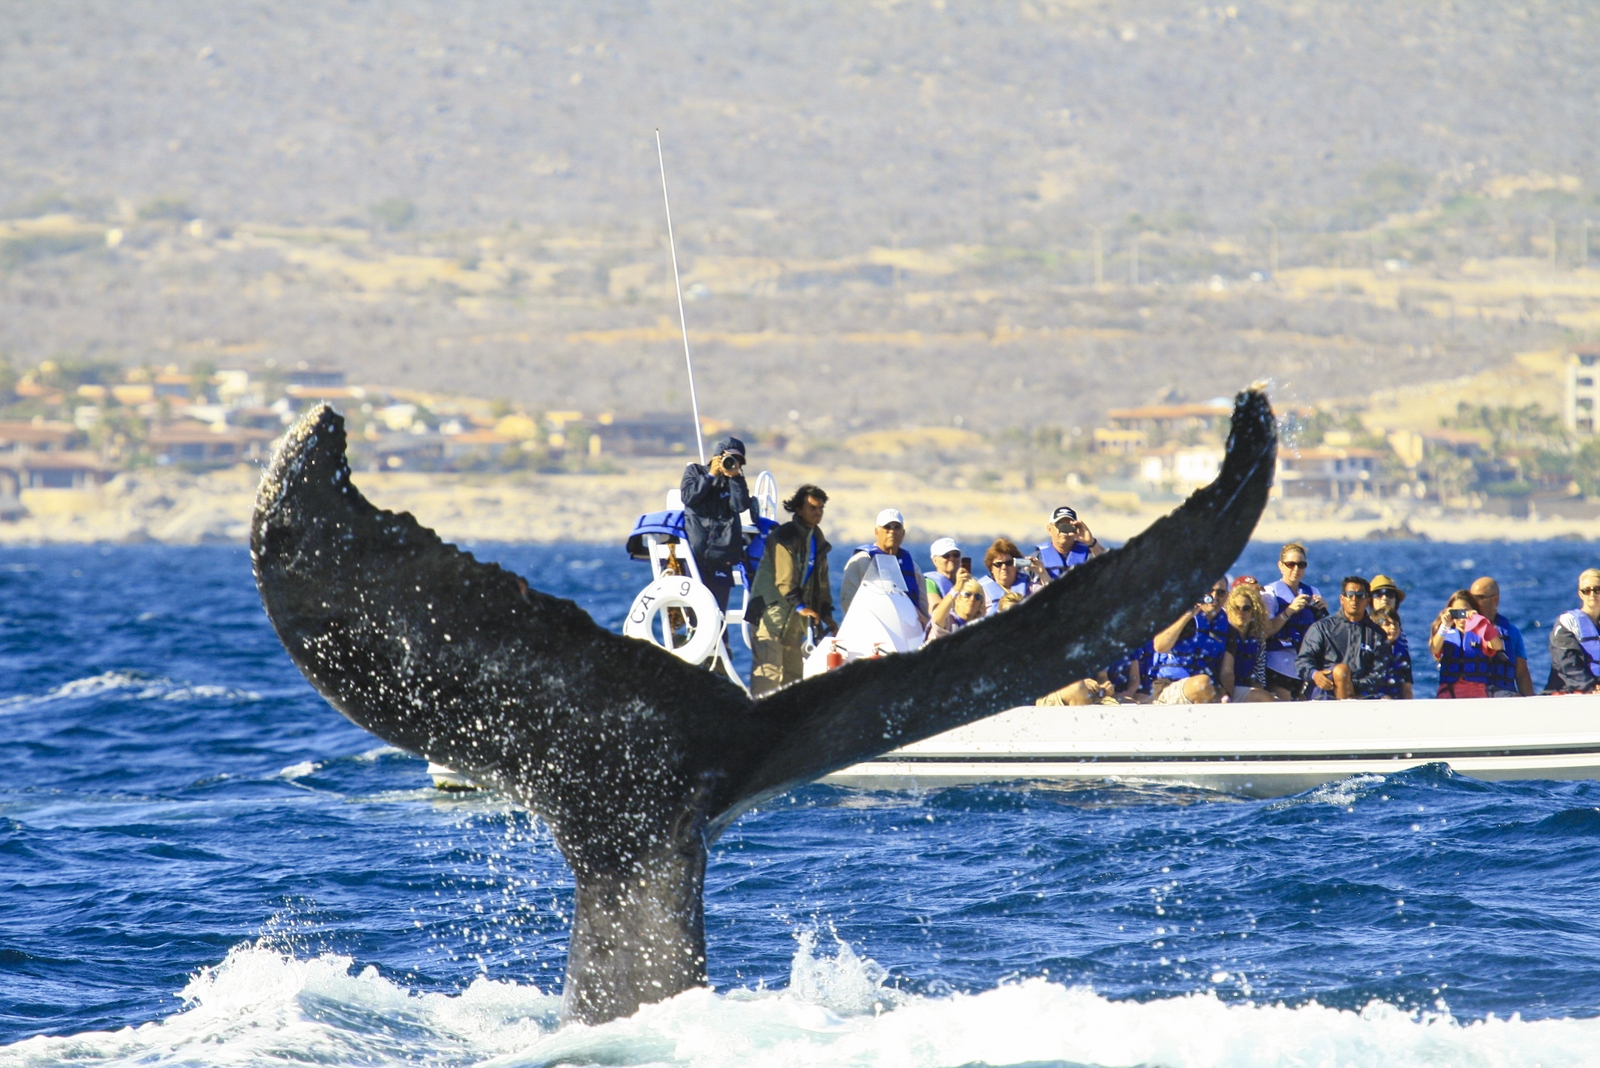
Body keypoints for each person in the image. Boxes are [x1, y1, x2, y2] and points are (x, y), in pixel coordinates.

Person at [749, 484, 834, 696]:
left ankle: (787, 721)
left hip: (794, 619)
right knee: (768, 673)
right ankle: (759, 718)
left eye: (821, 508)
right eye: (813, 508)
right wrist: (801, 606)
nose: (818, 513)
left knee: (793, 676)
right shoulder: (784, 535)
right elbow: (784, 578)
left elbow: (821, 583)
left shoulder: (818, 541)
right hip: (770, 612)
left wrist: (826, 614)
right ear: (798, 509)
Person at [678, 435, 752, 613]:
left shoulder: (735, 483)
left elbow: (740, 505)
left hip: (722, 555)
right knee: (693, 610)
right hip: (696, 553)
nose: (732, 462)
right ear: (717, 457)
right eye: (728, 458)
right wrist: (711, 475)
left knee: (718, 610)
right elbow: (688, 497)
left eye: (737, 461)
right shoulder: (695, 472)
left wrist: (735, 479)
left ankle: (721, 640)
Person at [1295, 576, 1391, 700]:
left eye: (1360, 595)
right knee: (1341, 670)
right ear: (1342, 599)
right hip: (1325, 690)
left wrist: (1349, 685)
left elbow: (1379, 673)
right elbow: (1303, 661)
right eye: (1350, 594)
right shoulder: (1322, 628)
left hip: (1362, 694)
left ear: (1367, 600)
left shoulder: (1377, 634)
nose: (1354, 599)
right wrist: (1315, 674)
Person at [839, 508, 929, 628]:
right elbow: (848, 598)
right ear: (877, 532)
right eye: (887, 527)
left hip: (909, 632)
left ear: (903, 533)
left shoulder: (913, 566)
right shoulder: (861, 561)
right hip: (873, 629)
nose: (891, 531)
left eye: (896, 527)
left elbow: (922, 602)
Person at [1148, 578, 1232, 704]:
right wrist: (1187, 616)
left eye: (1220, 593)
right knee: (1202, 683)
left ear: (1226, 596)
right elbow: (1159, 646)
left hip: (1208, 689)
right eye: (1210, 590)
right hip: (1169, 687)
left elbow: (1227, 671)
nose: (1214, 597)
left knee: (1261, 697)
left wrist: (1226, 696)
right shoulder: (1183, 616)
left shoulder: (1226, 627)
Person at [1261, 542, 1328, 700]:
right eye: (1290, 564)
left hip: (1306, 664)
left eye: (1301, 565)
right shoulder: (1270, 594)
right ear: (1281, 566)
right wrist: (1289, 611)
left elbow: (1322, 633)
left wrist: (1323, 611)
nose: (1296, 569)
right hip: (1278, 665)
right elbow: (1265, 631)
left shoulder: (1312, 592)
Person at [1429, 589, 1507, 699]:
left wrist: (1480, 622)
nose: (1461, 617)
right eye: (1457, 612)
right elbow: (1434, 649)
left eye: (1464, 611)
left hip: (1475, 692)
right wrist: (1445, 625)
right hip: (1448, 692)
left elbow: (1497, 646)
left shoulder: (1481, 633)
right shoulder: (1445, 634)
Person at [1469, 576, 1534, 696]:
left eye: (1479, 598)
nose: (1473, 603)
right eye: (1471, 598)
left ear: (1495, 599)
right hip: (1473, 696)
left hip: (1505, 695)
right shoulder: (1463, 629)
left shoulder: (1512, 632)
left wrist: (1531, 702)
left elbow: (1522, 674)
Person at [1545, 568, 1600, 693]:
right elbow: (1566, 663)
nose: (1592, 594)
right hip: (1568, 690)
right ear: (1580, 594)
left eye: (1597, 589)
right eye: (1586, 590)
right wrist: (1591, 687)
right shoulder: (1567, 622)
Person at [1222, 583, 1275, 702]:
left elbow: (1259, 676)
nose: (1241, 612)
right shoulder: (1223, 635)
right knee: (1264, 698)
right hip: (1223, 689)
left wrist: (1260, 689)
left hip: (1243, 688)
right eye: (1236, 608)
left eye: (1246, 609)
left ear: (1253, 612)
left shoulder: (1258, 641)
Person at [1369, 575, 1413, 699]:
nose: (1384, 598)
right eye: (1378, 594)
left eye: (1390, 594)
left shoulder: (1399, 634)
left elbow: (1406, 681)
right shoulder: (1362, 631)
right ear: (1369, 599)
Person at [1035, 506, 1108, 580]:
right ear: (1049, 529)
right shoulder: (1037, 559)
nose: (1064, 530)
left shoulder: (1090, 555)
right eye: (1060, 525)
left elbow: (1111, 568)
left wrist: (1091, 542)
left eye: (1069, 525)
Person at [979, 538, 1041, 613]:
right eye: (998, 564)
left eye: (1009, 563)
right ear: (991, 568)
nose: (1004, 567)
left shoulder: (1032, 589)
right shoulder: (980, 594)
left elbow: (1053, 599)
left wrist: (1042, 572)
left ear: (1017, 565)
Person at [924, 537, 964, 606]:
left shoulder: (967, 583)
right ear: (935, 560)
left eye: (956, 555)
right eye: (946, 556)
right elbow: (936, 611)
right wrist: (956, 589)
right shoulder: (929, 583)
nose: (952, 559)